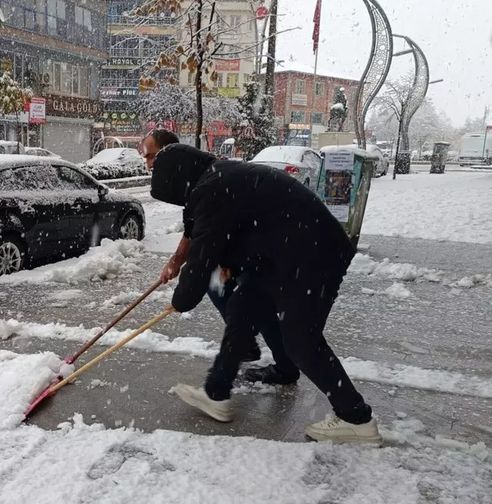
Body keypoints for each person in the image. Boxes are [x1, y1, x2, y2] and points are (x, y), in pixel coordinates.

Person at [152, 143, 381, 445]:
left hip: (312, 255)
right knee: (243, 308)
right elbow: (231, 232)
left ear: (177, 179)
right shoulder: (218, 178)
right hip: (281, 254)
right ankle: (217, 393)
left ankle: (356, 419)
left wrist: (181, 300)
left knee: (301, 340)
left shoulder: (212, 188)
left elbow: (202, 256)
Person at [144, 130, 288, 375]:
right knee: (217, 285)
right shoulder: (193, 179)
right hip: (244, 247)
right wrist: (175, 262)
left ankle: (269, 361)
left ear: (169, 155)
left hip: (266, 246)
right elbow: (192, 230)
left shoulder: (209, 181)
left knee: (253, 300)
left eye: (151, 156)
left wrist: (183, 297)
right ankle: (248, 344)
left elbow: (202, 250)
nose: (147, 164)